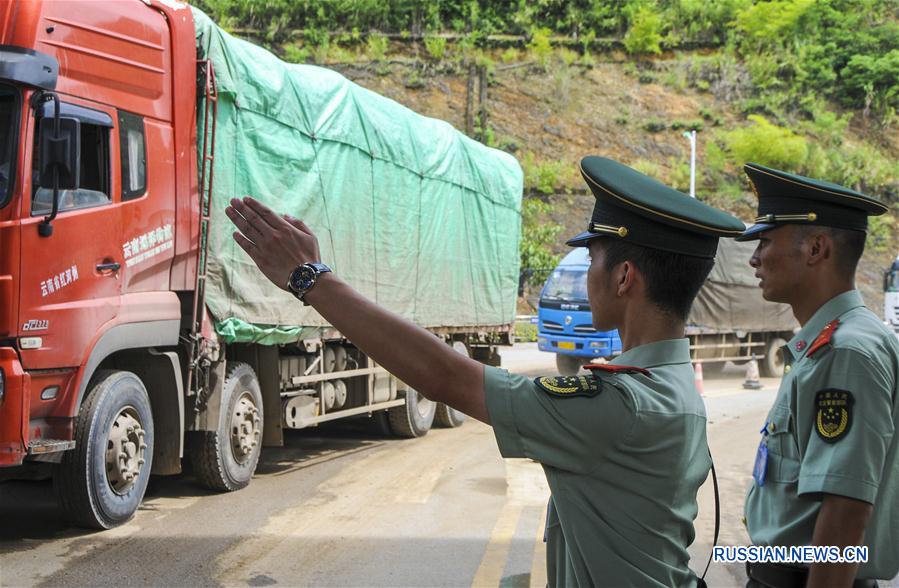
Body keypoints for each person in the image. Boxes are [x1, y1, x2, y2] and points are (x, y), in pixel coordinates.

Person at [225, 156, 745, 586]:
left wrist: (309, 279)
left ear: (625, 277)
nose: (588, 277)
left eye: (592, 262)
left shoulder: (621, 404)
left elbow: (445, 377)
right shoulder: (671, 382)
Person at [737, 163, 899, 587]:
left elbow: (845, 513)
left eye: (766, 242)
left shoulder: (846, 351)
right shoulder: (829, 344)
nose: (754, 259)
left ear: (816, 249)